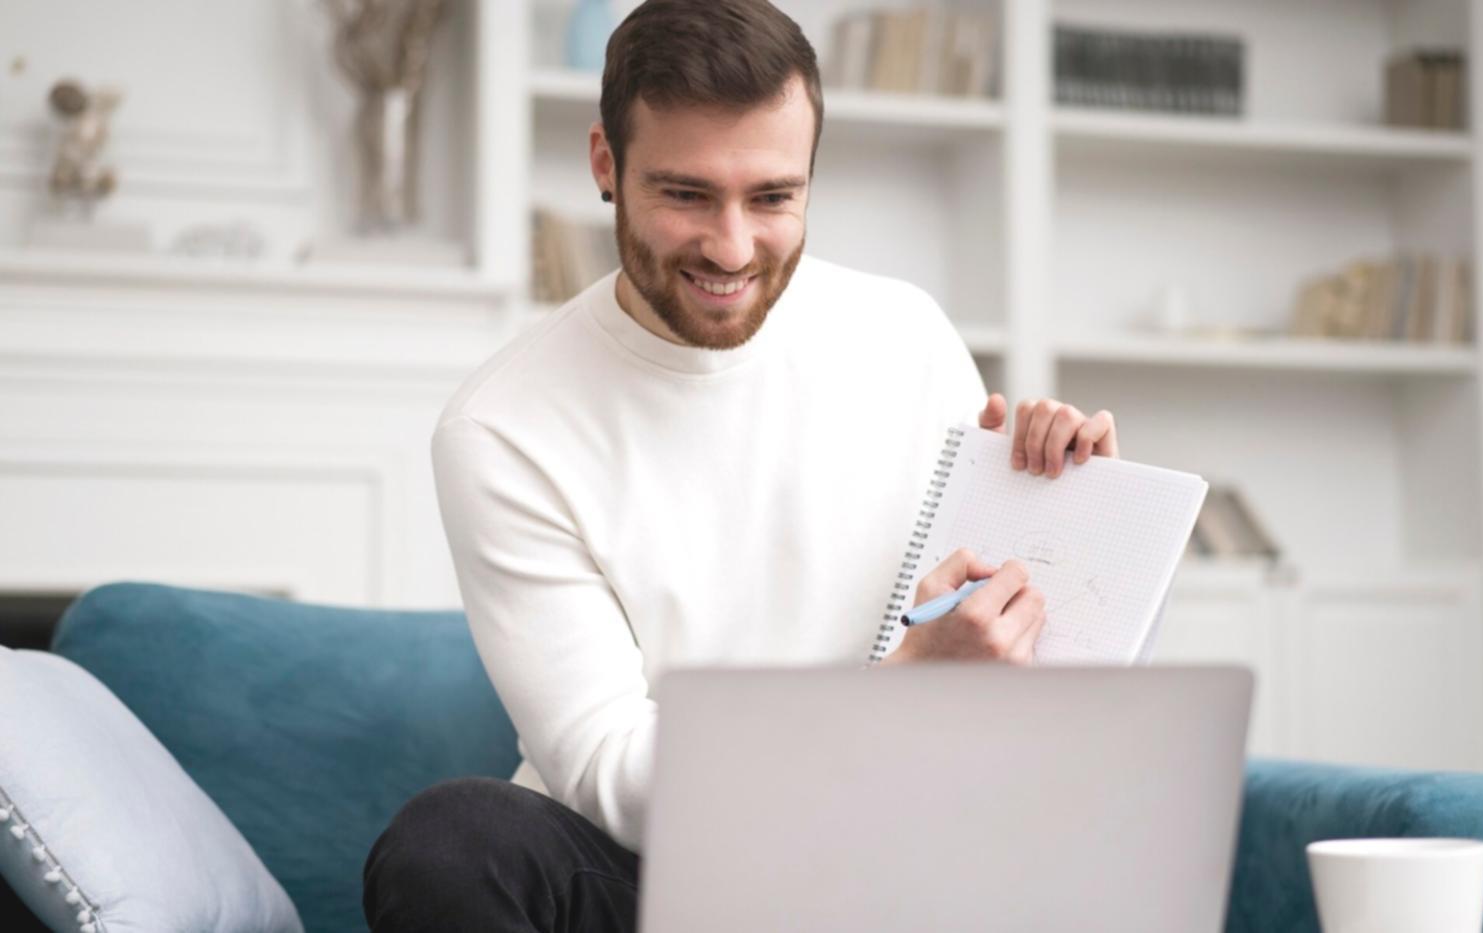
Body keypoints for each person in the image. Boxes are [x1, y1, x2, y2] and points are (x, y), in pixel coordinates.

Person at [362, 1, 1118, 930]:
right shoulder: (503, 426)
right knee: (450, 844)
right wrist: (898, 696)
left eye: (771, 198)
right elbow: (611, 773)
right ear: (606, 163)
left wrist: (1075, 518)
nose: (730, 247)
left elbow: (1023, 695)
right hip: (668, 880)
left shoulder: (905, 336)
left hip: (890, 862)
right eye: (685, 194)